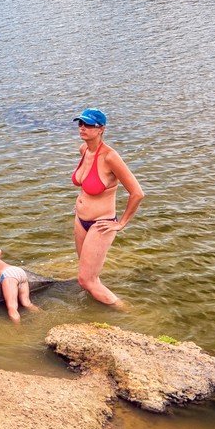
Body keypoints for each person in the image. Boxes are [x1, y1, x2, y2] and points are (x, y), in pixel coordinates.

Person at [70, 107, 144, 306]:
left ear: (101, 129)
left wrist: (121, 223)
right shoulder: (84, 150)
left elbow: (137, 193)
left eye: (88, 125)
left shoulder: (110, 157)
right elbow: (86, 186)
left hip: (101, 224)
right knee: (89, 276)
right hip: (80, 220)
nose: (82, 128)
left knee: (86, 279)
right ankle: (96, 308)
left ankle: (127, 312)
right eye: (80, 123)